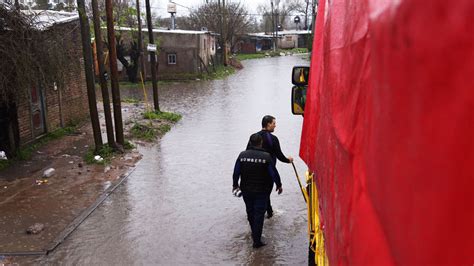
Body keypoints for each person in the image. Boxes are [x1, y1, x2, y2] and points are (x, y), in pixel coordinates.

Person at [233, 133, 283, 248]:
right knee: (259, 214)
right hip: (262, 190)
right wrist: (279, 185)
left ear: (250, 143)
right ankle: (257, 241)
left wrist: (235, 185)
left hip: (246, 189)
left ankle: (254, 233)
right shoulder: (266, 157)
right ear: (260, 143)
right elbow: (273, 173)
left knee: (250, 212)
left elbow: (236, 172)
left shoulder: (242, 155)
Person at [247, 115, 293, 218]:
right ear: (268, 124)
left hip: (253, 172)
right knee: (265, 193)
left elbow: (247, 153)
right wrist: (288, 160)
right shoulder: (272, 138)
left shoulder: (254, 137)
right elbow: (279, 156)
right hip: (268, 172)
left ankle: (266, 213)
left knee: (260, 194)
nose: (275, 126)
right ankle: (268, 214)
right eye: (274, 123)